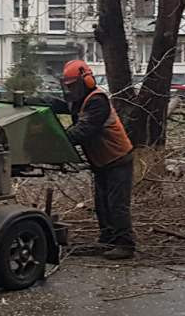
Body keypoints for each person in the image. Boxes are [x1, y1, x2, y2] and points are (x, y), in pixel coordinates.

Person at [51, 60, 137, 259]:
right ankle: (108, 239)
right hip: (102, 161)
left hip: (117, 158)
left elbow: (84, 130)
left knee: (117, 204)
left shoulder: (97, 100)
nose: (70, 89)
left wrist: (56, 142)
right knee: (102, 203)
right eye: (67, 85)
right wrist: (38, 101)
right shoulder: (81, 100)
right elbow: (63, 106)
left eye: (73, 85)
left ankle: (125, 244)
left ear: (86, 80)